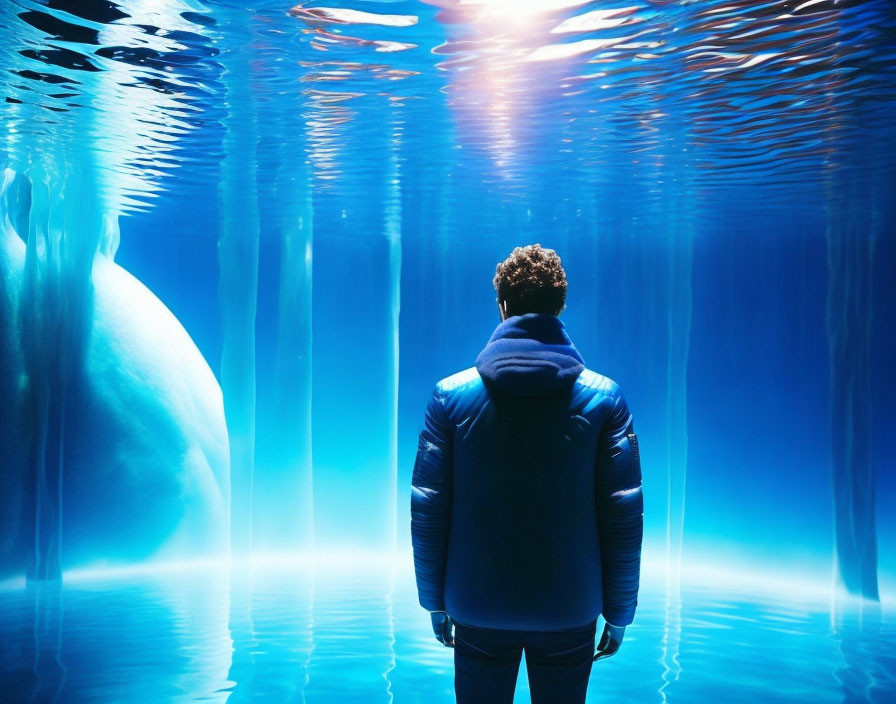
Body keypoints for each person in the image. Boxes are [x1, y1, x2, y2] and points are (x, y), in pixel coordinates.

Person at [410, 244, 643, 704]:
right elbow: (622, 520)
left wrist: (434, 602)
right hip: (570, 610)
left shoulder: (448, 397)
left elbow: (428, 510)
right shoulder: (605, 399)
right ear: (560, 307)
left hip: (476, 606)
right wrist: (619, 613)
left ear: (501, 305)